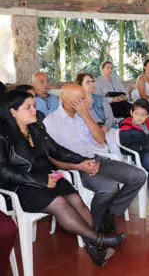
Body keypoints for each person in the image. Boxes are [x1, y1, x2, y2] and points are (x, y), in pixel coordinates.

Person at [0, 90, 126, 267]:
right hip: (21, 185)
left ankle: (95, 247)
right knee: (60, 203)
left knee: (76, 199)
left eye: (34, 106)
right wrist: (42, 181)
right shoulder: (3, 135)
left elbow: (56, 151)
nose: (33, 110)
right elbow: (4, 171)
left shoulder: (36, 127)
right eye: (28, 107)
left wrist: (84, 161)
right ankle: (99, 240)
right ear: (13, 112)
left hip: (47, 176)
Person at [44, 84, 146, 235]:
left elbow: (100, 139)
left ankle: (109, 215)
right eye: (81, 99)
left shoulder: (83, 114)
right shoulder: (51, 122)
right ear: (66, 100)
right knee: (109, 188)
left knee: (139, 176)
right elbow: (51, 158)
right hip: (75, 165)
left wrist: (86, 115)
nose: (85, 102)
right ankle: (95, 229)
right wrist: (81, 166)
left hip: (96, 158)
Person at [76, 73, 121, 156]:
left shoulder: (101, 99)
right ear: (80, 85)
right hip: (88, 131)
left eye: (92, 81)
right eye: (88, 82)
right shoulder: (77, 102)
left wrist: (104, 129)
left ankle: (120, 165)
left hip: (107, 128)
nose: (92, 84)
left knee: (113, 147)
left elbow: (110, 118)